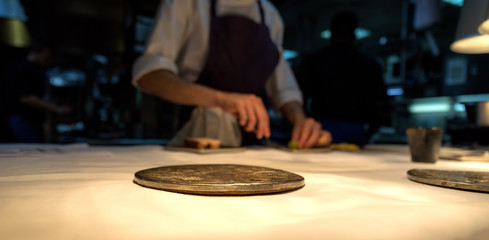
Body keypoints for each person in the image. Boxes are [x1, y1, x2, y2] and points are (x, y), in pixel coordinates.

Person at [132, 0, 331, 148]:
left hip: (254, 142)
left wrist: (300, 121)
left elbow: (283, 87)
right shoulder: (186, 4)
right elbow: (150, 75)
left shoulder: (269, 14)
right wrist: (220, 99)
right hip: (197, 137)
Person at [297, 11, 390, 147]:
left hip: (325, 128)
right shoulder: (369, 63)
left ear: (332, 33)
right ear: (354, 35)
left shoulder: (315, 60)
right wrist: (369, 132)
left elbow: (301, 98)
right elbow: (381, 106)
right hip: (350, 130)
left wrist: (304, 125)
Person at [5, 44, 72, 142]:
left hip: (31, 119)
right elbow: (26, 98)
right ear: (34, 52)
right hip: (23, 118)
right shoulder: (23, 70)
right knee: (30, 150)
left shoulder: (35, 70)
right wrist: (56, 108)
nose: (48, 62)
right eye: (46, 58)